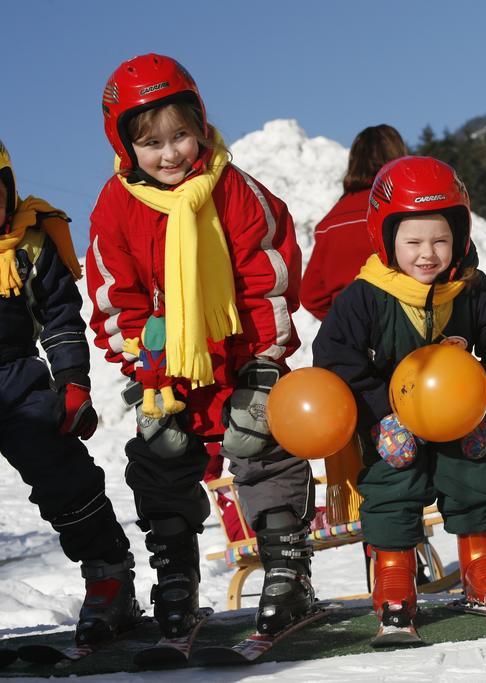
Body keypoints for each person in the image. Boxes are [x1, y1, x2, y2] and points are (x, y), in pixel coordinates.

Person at [86, 54, 316, 637]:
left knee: (266, 444)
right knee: (160, 460)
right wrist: (143, 363)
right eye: (151, 143)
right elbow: (114, 294)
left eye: (181, 135)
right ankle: (177, 579)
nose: (170, 155)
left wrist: (264, 366)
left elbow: (270, 276)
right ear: (124, 145)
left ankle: (287, 569)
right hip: (170, 370)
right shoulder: (116, 207)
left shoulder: (235, 191)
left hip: (241, 358)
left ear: (201, 125)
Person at [312, 156, 486, 635]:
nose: (427, 253)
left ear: (460, 237)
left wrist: (483, 410)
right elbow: (334, 358)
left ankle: (480, 559)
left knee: (474, 475)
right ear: (386, 239)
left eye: (440, 240)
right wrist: (380, 417)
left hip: (456, 419)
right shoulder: (364, 296)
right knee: (391, 486)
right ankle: (393, 569)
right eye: (412, 241)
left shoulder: (473, 291)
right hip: (395, 427)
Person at [0, 139, 139, 645]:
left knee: (62, 471)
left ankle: (108, 574)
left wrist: (73, 384)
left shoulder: (30, 244)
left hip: (15, 378)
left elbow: (58, 319)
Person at [300, 124, 408, 319]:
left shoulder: (330, 223)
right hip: (405, 325)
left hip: (352, 336)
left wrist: (344, 322)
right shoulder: (406, 210)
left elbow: (311, 295)